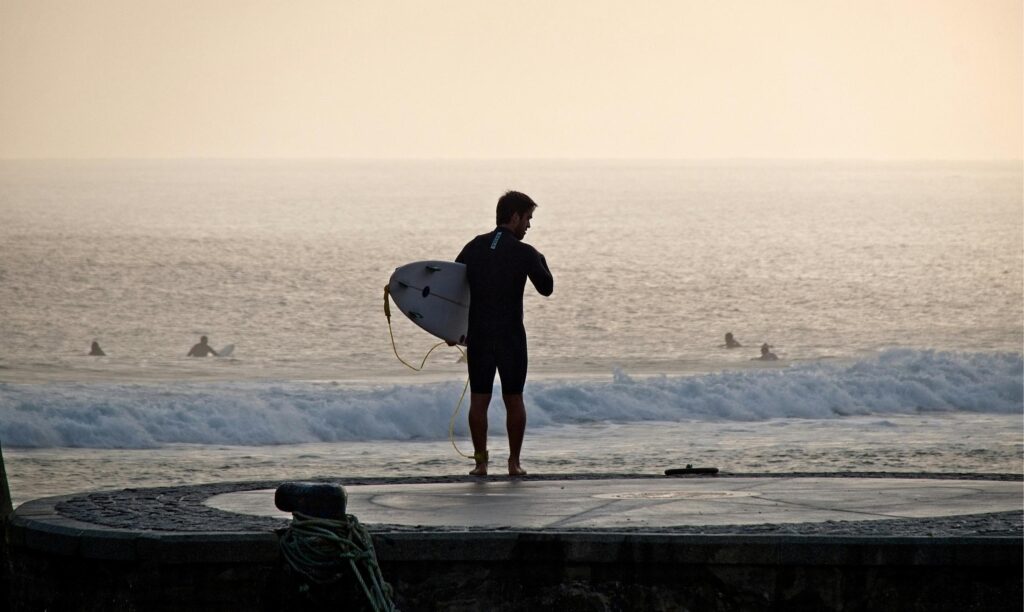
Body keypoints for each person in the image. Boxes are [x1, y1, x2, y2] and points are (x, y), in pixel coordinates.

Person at [455, 191, 553, 477]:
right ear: (514, 217)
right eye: (527, 219)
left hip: (480, 336)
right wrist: (540, 258)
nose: (529, 226)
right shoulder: (525, 253)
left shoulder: (474, 247)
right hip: (510, 337)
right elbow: (547, 287)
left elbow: (451, 287)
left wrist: (452, 329)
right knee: (514, 399)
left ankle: (481, 463)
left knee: (479, 400)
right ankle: (514, 463)